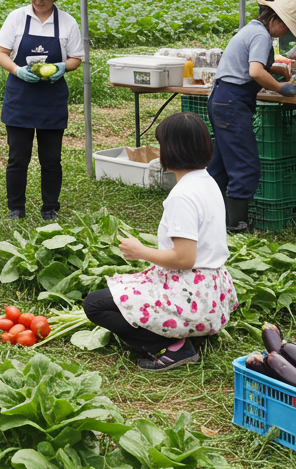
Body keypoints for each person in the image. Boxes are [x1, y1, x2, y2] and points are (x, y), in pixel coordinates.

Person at [82, 113, 238, 371]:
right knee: (120, 290)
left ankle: (173, 346)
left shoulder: (183, 196)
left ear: (172, 150)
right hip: (211, 292)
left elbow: (184, 258)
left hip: (189, 291)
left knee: (95, 305)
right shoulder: (208, 181)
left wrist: (141, 251)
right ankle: (189, 333)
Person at [206, 0, 296, 233]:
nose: (284, 33)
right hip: (232, 102)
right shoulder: (261, 35)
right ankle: (237, 227)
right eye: (286, 27)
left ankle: (211, 220)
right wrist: (280, 88)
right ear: (276, 19)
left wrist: (277, 69)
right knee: (245, 165)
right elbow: (255, 72)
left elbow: (249, 63)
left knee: (220, 165)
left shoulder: (251, 29)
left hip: (221, 98)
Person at [0, 0, 85, 221]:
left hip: (51, 100)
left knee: (51, 159)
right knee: (17, 158)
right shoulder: (16, 18)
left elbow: (76, 58)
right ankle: (16, 208)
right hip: (20, 98)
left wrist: (62, 67)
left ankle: (50, 208)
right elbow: (1, 53)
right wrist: (17, 70)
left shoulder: (67, 22)